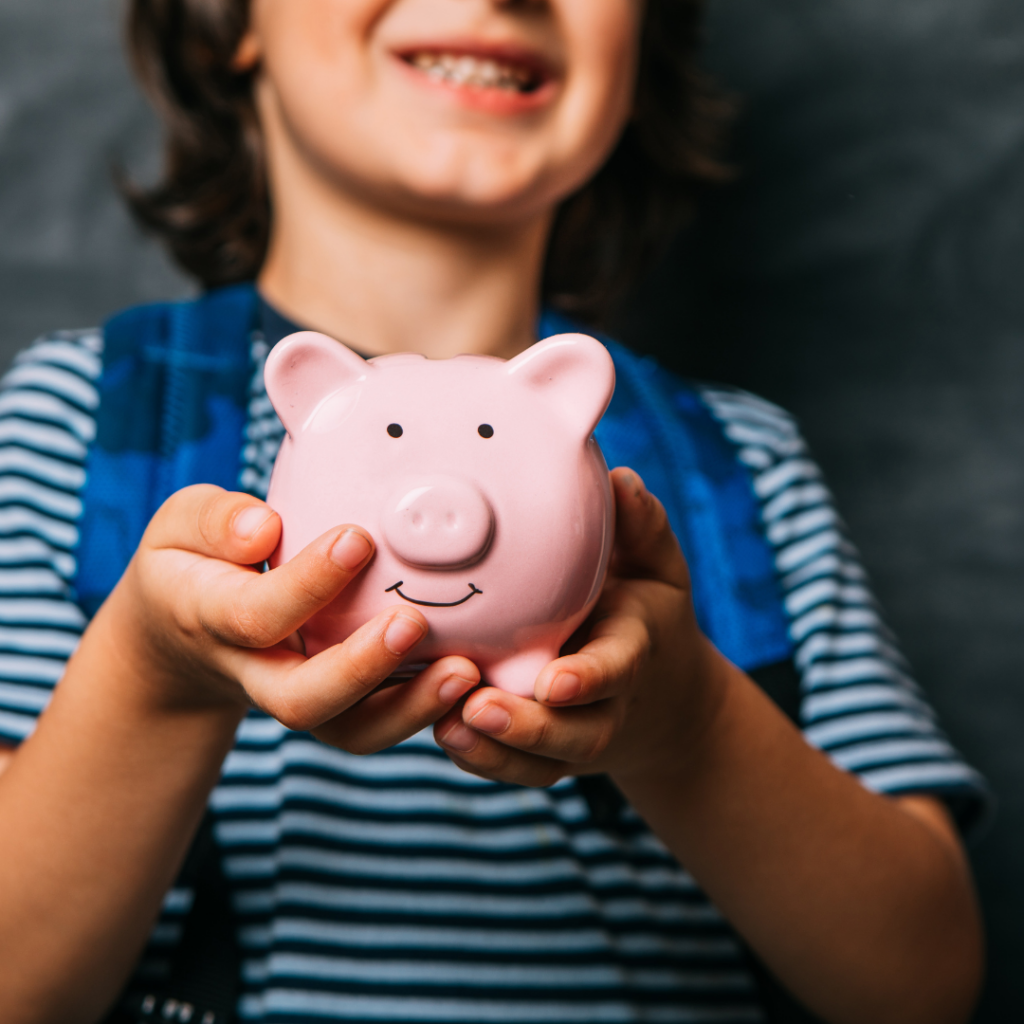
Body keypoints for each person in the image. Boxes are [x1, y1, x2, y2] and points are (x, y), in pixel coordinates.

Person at [0, 2, 988, 1023]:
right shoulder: (89, 427)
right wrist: (154, 680)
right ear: (231, 19)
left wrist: (686, 723)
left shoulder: (740, 472)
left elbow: (918, 986)